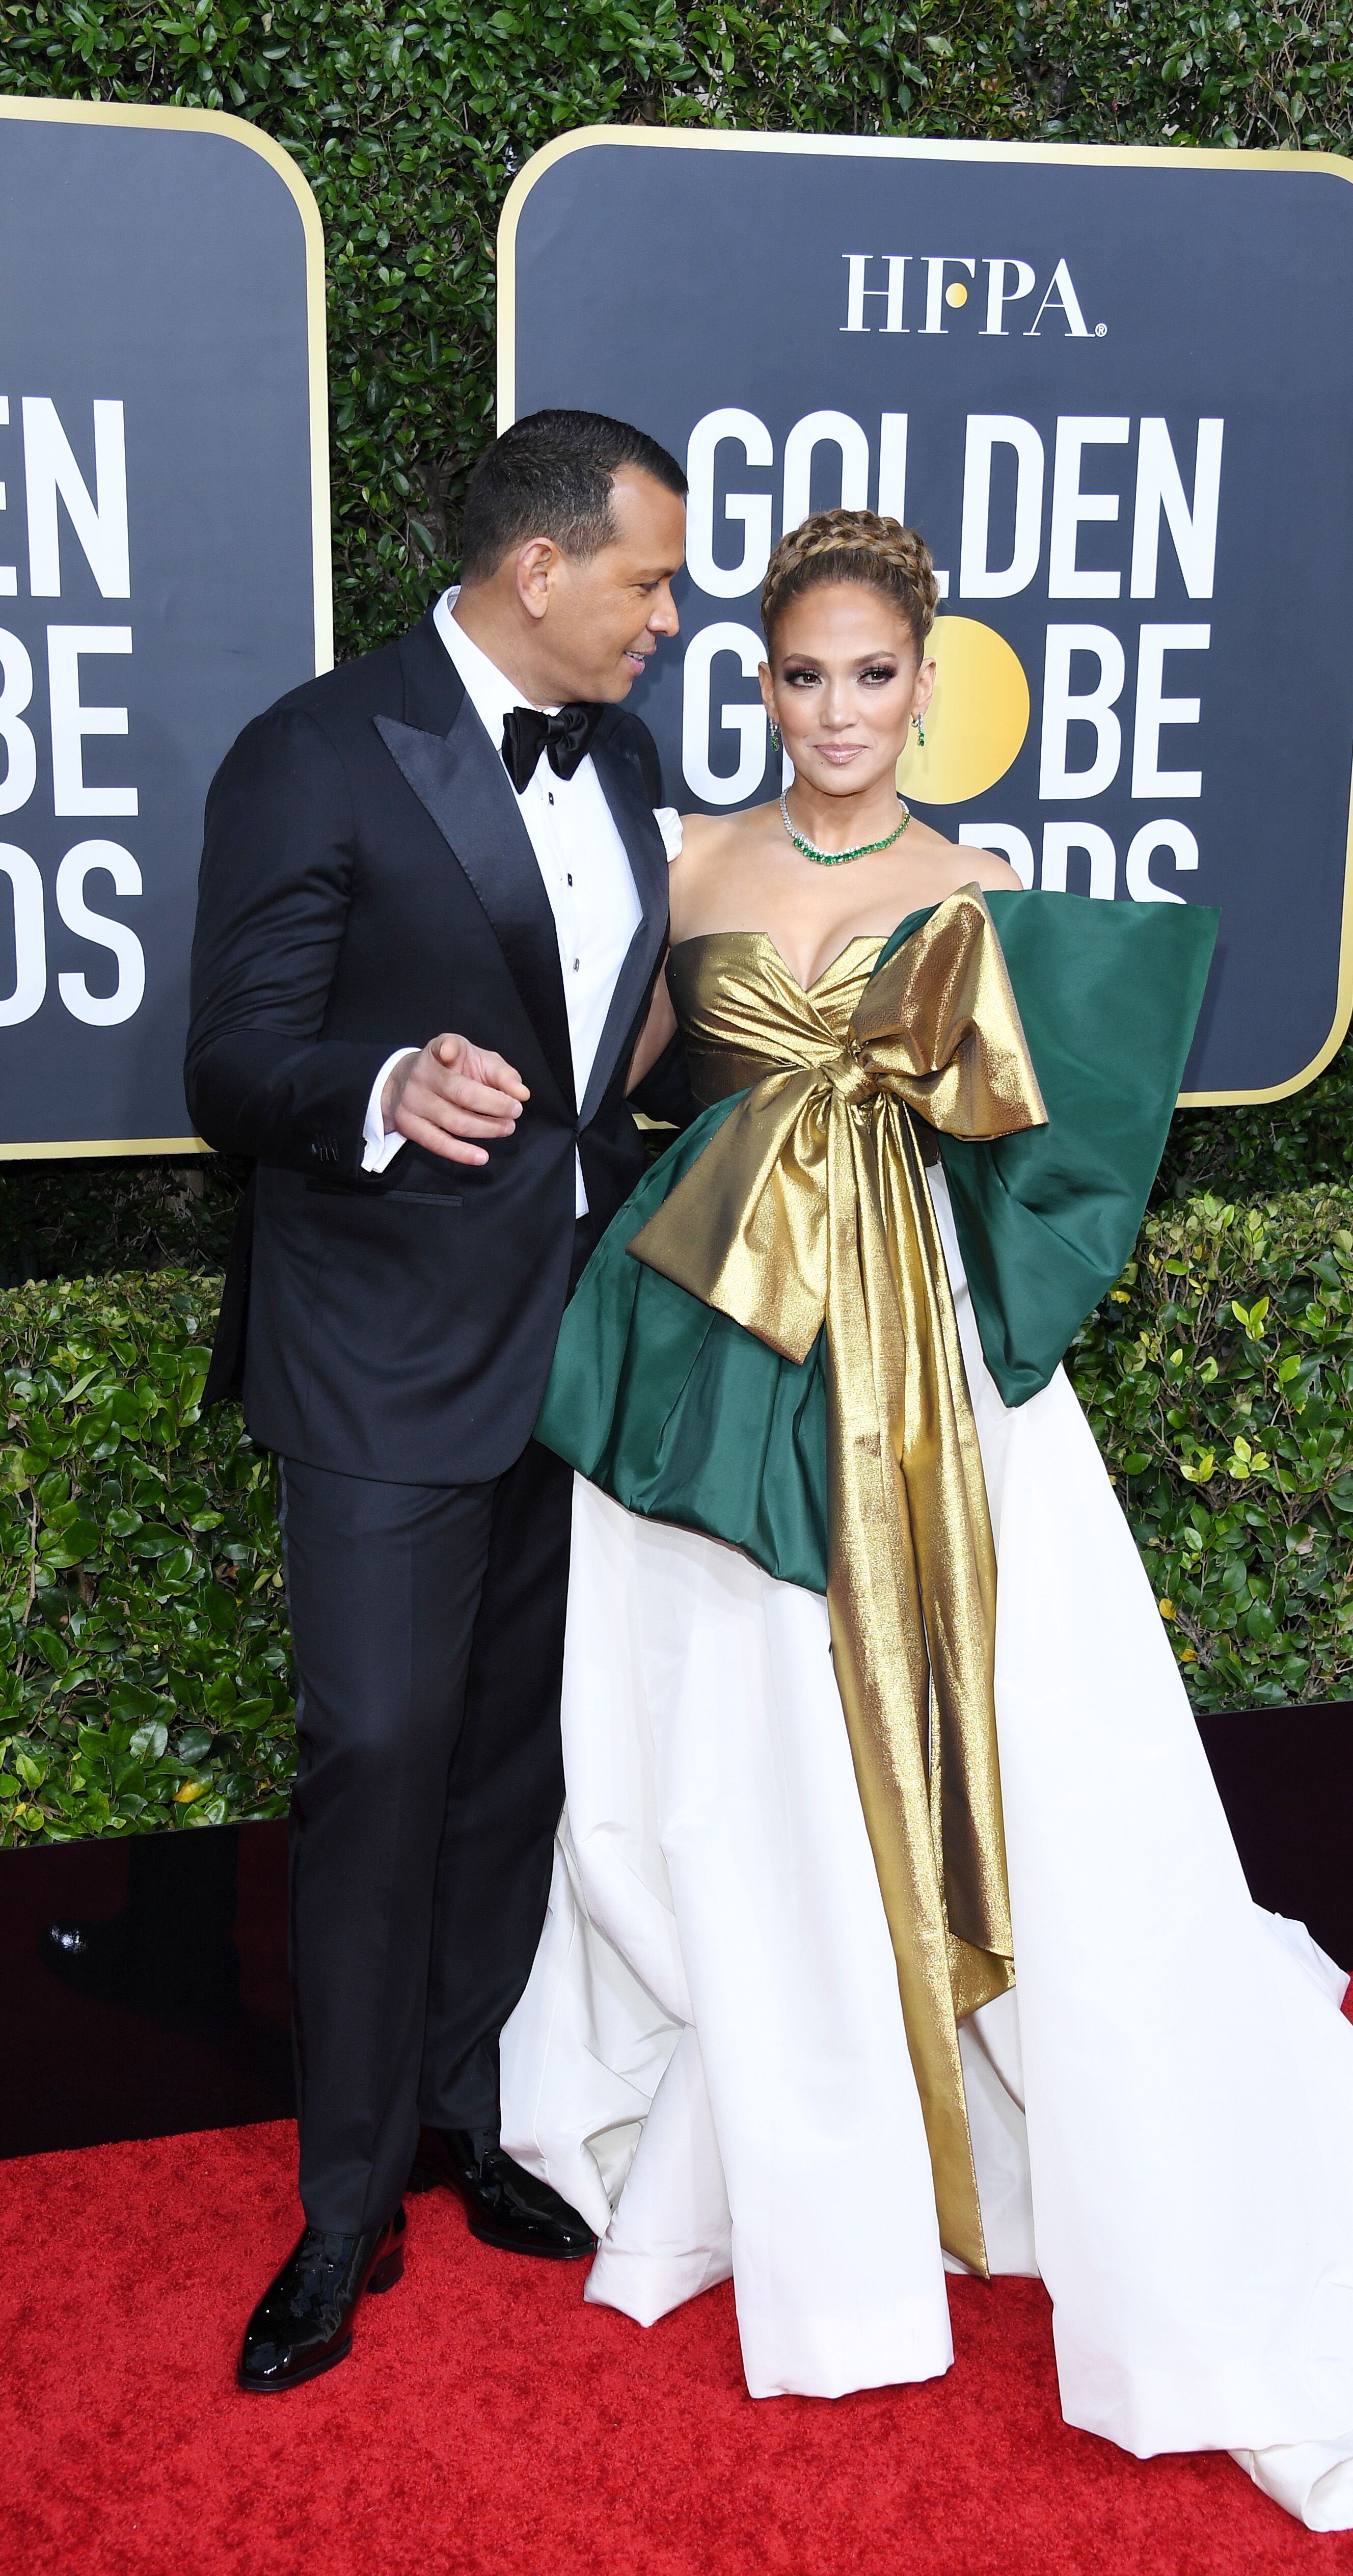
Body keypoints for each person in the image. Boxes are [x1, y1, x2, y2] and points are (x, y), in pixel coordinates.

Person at [499, 508, 1353, 2532]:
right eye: (799, 674)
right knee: (740, 1747)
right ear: (762, 684)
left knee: (1015, 1748)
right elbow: (617, 1092)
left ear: (929, 686)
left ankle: (1015, 2108)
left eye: (872, 674)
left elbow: (1064, 1149)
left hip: (923, 1366)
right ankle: (802, 2121)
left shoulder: (987, 883)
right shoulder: (686, 871)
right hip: (729, 1341)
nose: (837, 710)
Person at [185, 408, 691, 2394]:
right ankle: (340, 2202)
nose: (670, 617)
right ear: (540, 568)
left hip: (565, 1333)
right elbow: (232, 1060)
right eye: (647, 578)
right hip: (382, 1349)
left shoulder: (631, 756)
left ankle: (473, 2119)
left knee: (507, 1760)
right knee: (380, 1756)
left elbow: (619, 1030)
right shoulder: (318, 749)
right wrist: (382, 1088)